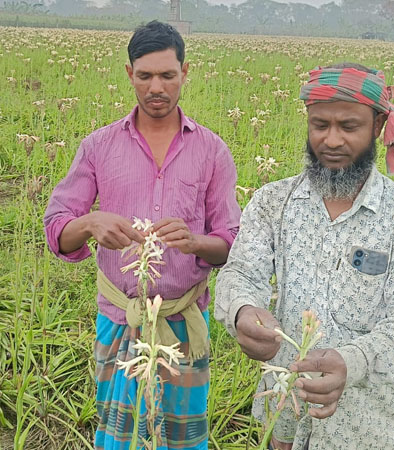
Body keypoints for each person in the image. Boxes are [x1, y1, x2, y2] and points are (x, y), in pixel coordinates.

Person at [214, 62, 394, 449]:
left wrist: (352, 361)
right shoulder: (273, 202)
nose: (332, 140)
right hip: (285, 410)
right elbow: (241, 272)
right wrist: (242, 310)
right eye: (320, 125)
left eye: (349, 127)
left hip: (368, 425)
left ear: (377, 125)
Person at [43, 20, 241, 450]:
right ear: (129, 74)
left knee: (183, 437)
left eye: (167, 75)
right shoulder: (98, 146)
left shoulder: (212, 151)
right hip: (119, 319)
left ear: (184, 72)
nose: (156, 88)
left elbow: (230, 240)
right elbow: (57, 229)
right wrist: (91, 223)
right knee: (120, 434)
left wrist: (195, 242)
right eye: (145, 75)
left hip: (183, 322)